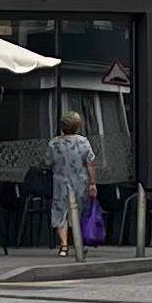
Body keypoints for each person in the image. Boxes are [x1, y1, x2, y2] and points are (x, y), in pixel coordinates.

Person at [49, 109, 98, 263]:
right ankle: (79, 243)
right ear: (78, 126)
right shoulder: (83, 142)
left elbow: (47, 162)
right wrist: (92, 183)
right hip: (80, 182)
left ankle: (64, 246)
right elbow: (90, 164)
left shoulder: (54, 142)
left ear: (62, 126)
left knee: (60, 212)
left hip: (60, 182)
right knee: (80, 211)